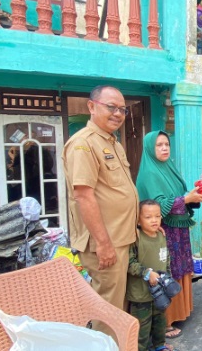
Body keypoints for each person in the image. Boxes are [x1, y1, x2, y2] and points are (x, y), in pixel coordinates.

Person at [62, 85, 139, 337]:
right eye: (111, 107)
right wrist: (103, 243)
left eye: (122, 109)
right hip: (105, 242)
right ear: (92, 106)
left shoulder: (112, 143)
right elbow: (84, 196)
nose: (118, 113)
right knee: (107, 309)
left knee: (115, 305)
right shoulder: (83, 144)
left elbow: (116, 193)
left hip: (120, 237)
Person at [136, 130, 202, 339]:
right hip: (161, 230)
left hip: (178, 230)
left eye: (166, 144)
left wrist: (195, 196)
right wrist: (187, 199)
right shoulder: (150, 173)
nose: (164, 148)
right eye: (159, 145)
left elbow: (179, 195)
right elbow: (157, 204)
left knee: (179, 267)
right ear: (150, 149)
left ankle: (180, 311)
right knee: (166, 270)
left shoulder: (169, 168)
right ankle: (165, 321)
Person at [127, 199, 172, 351]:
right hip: (141, 294)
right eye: (148, 217)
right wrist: (147, 273)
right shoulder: (136, 237)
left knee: (160, 321)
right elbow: (129, 262)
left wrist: (168, 279)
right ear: (138, 220)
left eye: (157, 216)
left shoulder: (161, 235)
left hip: (159, 292)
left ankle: (160, 345)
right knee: (142, 328)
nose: (154, 220)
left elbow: (165, 258)